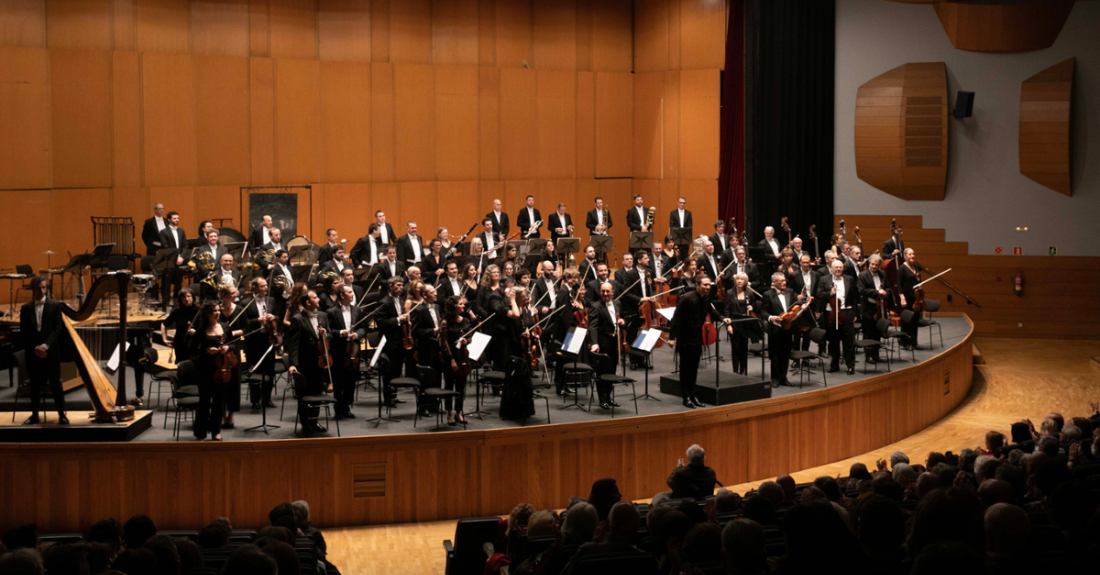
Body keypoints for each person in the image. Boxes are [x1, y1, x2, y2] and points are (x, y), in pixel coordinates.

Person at [667, 276, 730, 408]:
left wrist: (723, 319)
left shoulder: (705, 299)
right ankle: (686, 397)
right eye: (705, 285)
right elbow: (676, 318)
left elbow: (712, 312)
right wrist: (672, 337)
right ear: (697, 285)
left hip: (697, 337)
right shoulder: (686, 298)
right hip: (685, 337)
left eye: (709, 285)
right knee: (685, 369)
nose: (708, 287)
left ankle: (693, 395)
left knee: (694, 368)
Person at [20, 276, 67, 425]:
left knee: (55, 383)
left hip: (50, 351)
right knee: (34, 384)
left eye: (44, 287)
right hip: (33, 353)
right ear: (33, 289)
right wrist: (36, 347)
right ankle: (35, 415)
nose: (42, 290)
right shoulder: (25, 308)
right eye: (39, 288)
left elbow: (58, 328)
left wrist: (45, 346)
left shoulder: (55, 305)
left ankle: (62, 415)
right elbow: (24, 332)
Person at [189, 303, 240, 440]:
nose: (217, 313)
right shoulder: (201, 331)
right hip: (205, 369)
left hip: (222, 369)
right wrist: (206, 350)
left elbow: (234, 343)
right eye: (214, 311)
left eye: (218, 310)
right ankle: (200, 433)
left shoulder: (225, 327)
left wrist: (227, 347)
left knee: (219, 401)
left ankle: (216, 431)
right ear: (207, 314)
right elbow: (192, 351)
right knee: (204, 401)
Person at [285, 290, 330, 434]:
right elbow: (293, 345)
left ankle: (314, 421)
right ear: (308, 302)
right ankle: (305, 424)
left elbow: (329, 334)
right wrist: (293, 364)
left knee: (317, 392)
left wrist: (325, 334)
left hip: (320, 361)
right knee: (304, 394)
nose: (318, 299)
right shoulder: (297, 319)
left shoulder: (323, 315)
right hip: (305, 363)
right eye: (315, 297)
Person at [326, 285, 364, 419]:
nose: (352, 294)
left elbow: (363, 328)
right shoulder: (331, 312)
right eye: (349, 292)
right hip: (339, 349)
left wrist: (357, 334)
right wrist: (341, 332)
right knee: (338, 380)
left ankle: (347, 406)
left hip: (354, 349)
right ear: (342, 295)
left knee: (351, 379)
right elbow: (328, 331)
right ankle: (338, 408)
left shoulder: (358, 310)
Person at [587, 281, 624, 410]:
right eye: (603, 291)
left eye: (608, 291)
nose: (605, 294)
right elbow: (592, 326)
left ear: (612, 292)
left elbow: (619, 318)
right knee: (602, 372)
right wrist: (594, 343)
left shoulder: (617, 303)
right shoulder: (595, 306)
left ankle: (609, 397)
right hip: (603, 342)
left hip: (614, 342)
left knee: (611, 371)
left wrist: (621, 321)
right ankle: (602, 399)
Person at [242, 278, 278, 408]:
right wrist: (257, 320)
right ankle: (255, 400)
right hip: (254, 341)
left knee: (269, 370)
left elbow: (278, 316)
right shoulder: (245, 302)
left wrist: (274, 317)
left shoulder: (271, 300)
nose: (266, 288)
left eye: (266, 286)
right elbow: (244, 323)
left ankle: (267, 399)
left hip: (268, 339)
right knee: (255, 369)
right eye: (262, 286)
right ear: (254, 287)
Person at [817, 259, 857, 375]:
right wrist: (830, 293)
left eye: (840, 267)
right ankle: (834, 365)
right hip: (831, 314)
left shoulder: (849, 279)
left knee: (849, 341)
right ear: (832, 269)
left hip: (846, 313)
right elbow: (819, 295)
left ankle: (850, 365)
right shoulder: (824, 279)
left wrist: (855, 313)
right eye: (836, 268)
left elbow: (855, 298)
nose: (839, 269)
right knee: (833, 341)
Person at [376, 277, 409, 408]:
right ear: (390, 286)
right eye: (398, 285)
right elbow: (380, 322)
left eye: (402, 285)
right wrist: (397, 319)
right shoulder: (383, 302)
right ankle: (387, 398)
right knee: (389, 371)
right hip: (389, 341)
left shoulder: (401, 300)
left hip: (400, 339)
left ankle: (394, 395)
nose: (401, 288)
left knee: (397, 370)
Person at [760, 272, 797, 387]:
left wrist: (803, 305)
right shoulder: (768, 294)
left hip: (788, 327)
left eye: (784, 280)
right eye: (781, 281)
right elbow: (763, 312)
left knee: (786, 353)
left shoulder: (790, 292)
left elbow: (795, 305)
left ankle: (783, 377)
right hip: (775, 328)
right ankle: (775, 378)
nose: (784, 283)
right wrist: (771, 318)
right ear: (774, 282)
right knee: (775, 354)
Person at [441, 295, 471, 426]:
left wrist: (467, 340)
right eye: (461, 304)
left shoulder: (465, 320)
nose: (463, 306)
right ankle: (449, 413)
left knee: (461, 385)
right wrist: (451, 359)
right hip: (450, 357)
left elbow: (470, 337)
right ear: (454, 306)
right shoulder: (445, 322)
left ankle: (459, 412)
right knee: (449, 385)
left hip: (462, 356)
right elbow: (444, 341)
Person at [217, 285, 245, 428]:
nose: (236, 295)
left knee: (234, 381)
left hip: (234, 348)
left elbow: (246, 328)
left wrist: (234, 333)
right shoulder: (217, 310)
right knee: (220, 382)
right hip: (219, 348)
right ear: (224, 295)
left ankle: (231, 413)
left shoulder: (239, 310)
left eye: (236, 293)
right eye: (233, 293)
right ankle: (221, 412)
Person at [724, 272, 761, 376]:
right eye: (737, 279)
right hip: (734, 323)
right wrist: (728, 325)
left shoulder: (749, 293)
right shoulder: (729, 293)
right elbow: (726, 310)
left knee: (744, 349)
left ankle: (743, 371)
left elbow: (754, 304)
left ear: (745, 281)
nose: (739, 281)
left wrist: (752, 307)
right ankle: (735, 371)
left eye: (742, 279)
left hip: (745, 325)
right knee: (735, 348)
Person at [857, 254, 889, 364]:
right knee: (868, 332)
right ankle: (868, 355)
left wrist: (886, 293)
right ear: (869, 264)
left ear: (879, 265)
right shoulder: (863, 275)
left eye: (876, 265)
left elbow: (888, 288)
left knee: (877, 332)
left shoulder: (883, 274)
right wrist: (877, 292)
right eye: (872, 264)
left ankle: (876, 355)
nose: (874, 266)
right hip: (868, 308)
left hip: (880, 308)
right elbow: (862, 291)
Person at [158, 211, 187, 305]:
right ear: (169, 220)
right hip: (169, 261)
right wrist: (176, 258)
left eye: (178, 218)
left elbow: (185, 246)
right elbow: (165, 247)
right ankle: (165, 304)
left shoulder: (181, 231)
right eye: (174, 218)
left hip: (179, 261)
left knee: (178, 283)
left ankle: (177, 302)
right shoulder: (163, 232)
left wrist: (182, 257)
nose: (177, 220)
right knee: (167, 283)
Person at [898, 247, 923, 350]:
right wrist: (902, 298)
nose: (912, 256)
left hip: (916, 298)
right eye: (910, 254)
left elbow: (918, 279)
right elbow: (899, 285)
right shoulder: (902, 268)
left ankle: (914, 342)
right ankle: (904, 343)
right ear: (905, 256)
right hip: (907, 298)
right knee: (907, 321)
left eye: (913, 254)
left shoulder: (916, 267)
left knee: (915, 320)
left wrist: (920, 285)